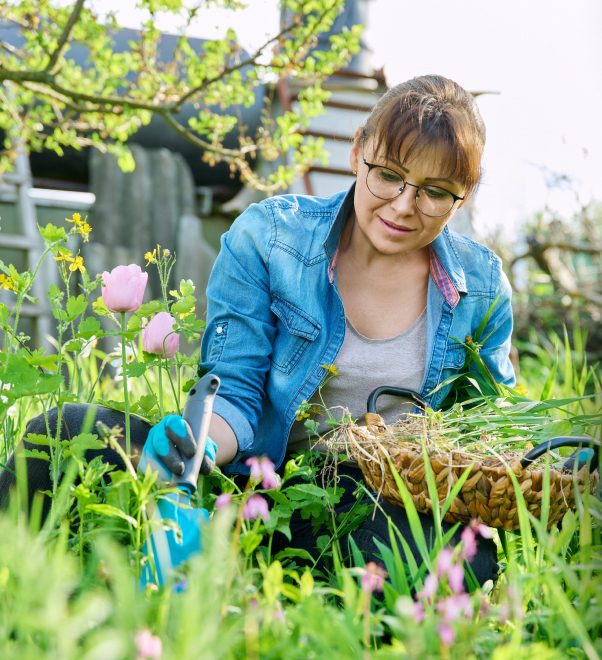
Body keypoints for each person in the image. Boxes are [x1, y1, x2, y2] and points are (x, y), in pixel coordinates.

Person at [0, 74, 514, 586]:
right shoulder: (269, 238)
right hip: (245, 480)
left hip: (368, 506)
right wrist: (193, 448)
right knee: (65, 433)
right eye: (388, 175)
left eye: (434, 192)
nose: (403, 206)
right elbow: (235, 388)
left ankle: (254, 573)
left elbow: (493, 430)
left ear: (462, 197)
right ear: (358, 153)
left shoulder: (483, 288)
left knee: (464, 560)